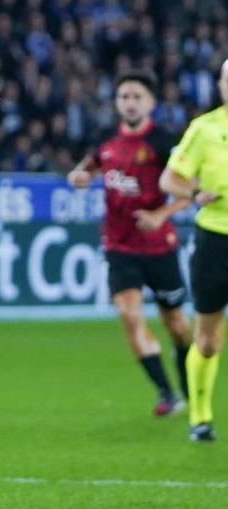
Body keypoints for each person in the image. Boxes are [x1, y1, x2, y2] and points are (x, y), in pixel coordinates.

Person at [67, 71, 192, 417]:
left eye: (137, 97)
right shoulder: (106, 139)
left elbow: (190, 190)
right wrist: (79, 174)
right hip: (119, 244)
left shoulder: (164, 142)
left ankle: (190, 380)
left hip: (159, 245)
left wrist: (161, 214)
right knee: (130, 314)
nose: (130, 103)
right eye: (124, 97)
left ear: (151, 103)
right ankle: (167, 393)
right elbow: (92, 165)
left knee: (177, 326)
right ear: (117, 102)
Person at [160, 58, 228, 442]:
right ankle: (201, 417)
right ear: (220, 85)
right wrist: (194, 194)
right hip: (215, 240)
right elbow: (170, 178)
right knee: (207, 338)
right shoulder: (204, 130)